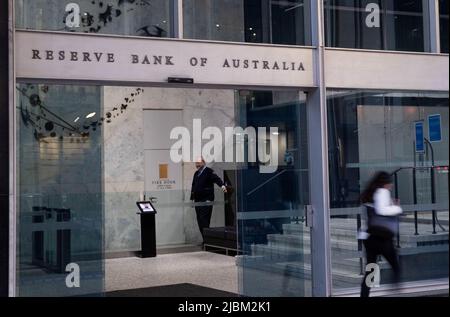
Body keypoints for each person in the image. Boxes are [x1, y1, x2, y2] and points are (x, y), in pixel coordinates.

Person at [360, 171, 403, 297]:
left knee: (371, 271)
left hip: (370, 238)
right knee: (396, 266)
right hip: (382, 238)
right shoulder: (382, 192)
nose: (391, 186)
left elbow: (375, 211)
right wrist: (397, 208)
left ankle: (364, 295)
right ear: (384, 183)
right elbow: (382, 210)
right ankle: (394, 290)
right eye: (389, 183)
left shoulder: (370, 194)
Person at [190, 158, 227, 244]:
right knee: (199, 220)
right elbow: (193, 187)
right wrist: (192, 199)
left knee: (204, 220)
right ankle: (205, 240)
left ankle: (208, 241)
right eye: (196, 163)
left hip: (206, 201)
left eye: (199, 163)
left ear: (203, 163)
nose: (197, 165)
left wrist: (222, 186)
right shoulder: (196, 174)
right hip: (197, 201)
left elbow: (217, 179)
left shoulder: (209, 171)